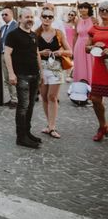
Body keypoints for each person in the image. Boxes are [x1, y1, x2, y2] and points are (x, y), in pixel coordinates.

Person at [4, 8, 42, 149]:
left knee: (31, 105)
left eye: (31, 17)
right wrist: (11, 74)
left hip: (34, 75)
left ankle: (27, 132)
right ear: (20, 18)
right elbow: (7, 54)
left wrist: (41, 72)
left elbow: (36, 53)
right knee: (23, 106)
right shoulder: (13, 35)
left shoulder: (33, 34)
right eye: (27, 17)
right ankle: (21, 137)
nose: (29, 19)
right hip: (21, 75)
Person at [36, 7, 72, 139]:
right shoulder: (36, 33)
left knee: (52, 96)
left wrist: (60, 52)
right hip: (41, 67)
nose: (47, 19)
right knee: (44, 97)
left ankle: (52, 127)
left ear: (53, 19)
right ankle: (49, 124)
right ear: (40, 17)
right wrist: (41, 53)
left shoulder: (58, 33)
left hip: (56, 67)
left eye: (50, 17)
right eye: (45, 16)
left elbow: (70, 51)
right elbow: (31, 52)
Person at [85, 0, 108, 141]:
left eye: (107, 10)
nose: (104, 12)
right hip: (99, 67)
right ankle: (102, 125)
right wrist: (94, 46)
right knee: (95, 99)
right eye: (102, 9)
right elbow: (86, 48)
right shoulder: (94, 29)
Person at [0, 7, 19, 107]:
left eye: (6, 14)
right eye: (2, 14)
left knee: (13, 77)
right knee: (7, 78)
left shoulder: (16, 26)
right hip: (3, 55)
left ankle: (16, 99)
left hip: (12, 56)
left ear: (11, 14)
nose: (3, 16)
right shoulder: (2, 28)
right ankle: (12, 98)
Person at [75, 2, 96, 85]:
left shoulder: (94, 20)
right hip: (79, 45)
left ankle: (91, 85)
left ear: (89, 9)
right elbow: (75, 36)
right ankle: (79, 86)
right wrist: (73, 50)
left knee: (90, 65)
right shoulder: (77, 21)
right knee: (80, 66)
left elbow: (96, 34)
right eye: (81, 7)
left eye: (85, 7)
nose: (83, 9)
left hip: (90, 45)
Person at [63, 9, 77, 83]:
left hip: (74, 44)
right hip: (66, 43)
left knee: (74, 61)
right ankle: (68, 75)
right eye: (69, 14)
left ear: (75, 16)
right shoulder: (64, 24)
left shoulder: (76, 25)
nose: (70, 16)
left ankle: (74, 74)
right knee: (67, 60)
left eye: (72, 15)